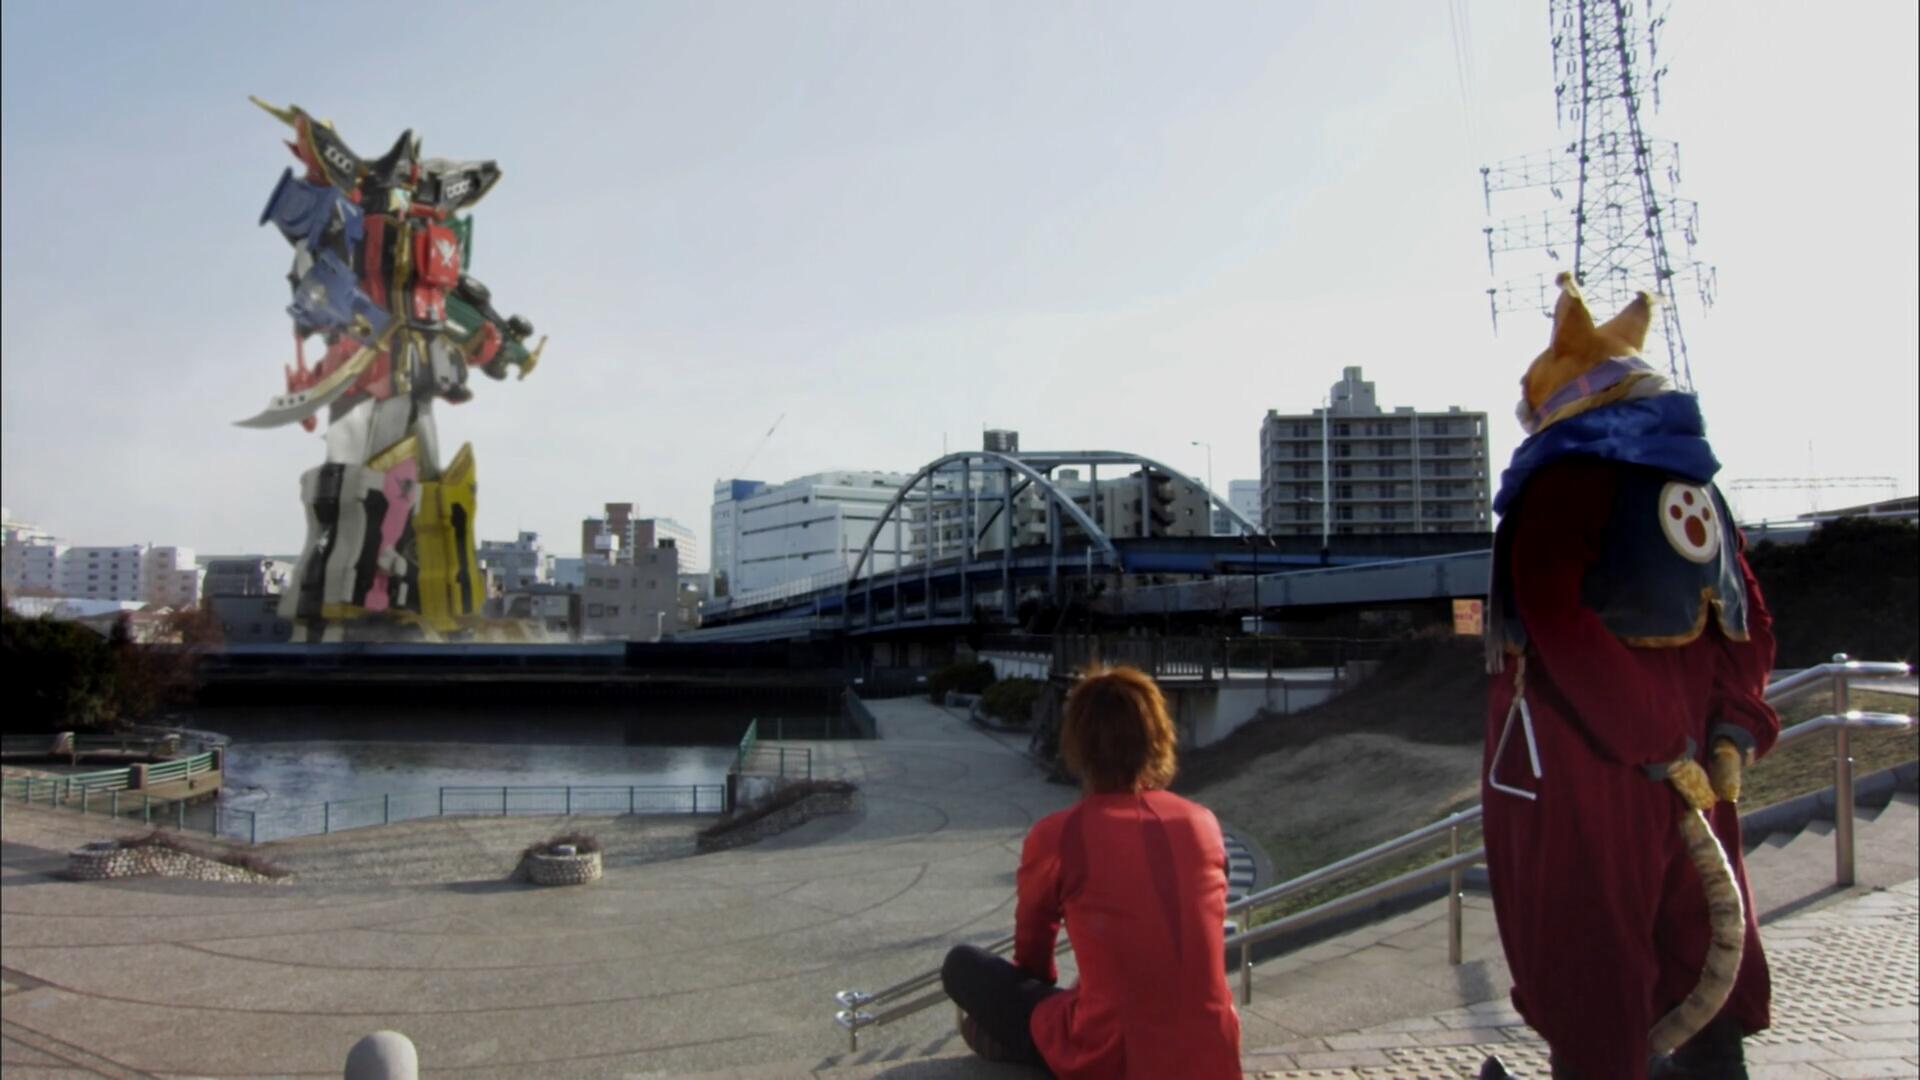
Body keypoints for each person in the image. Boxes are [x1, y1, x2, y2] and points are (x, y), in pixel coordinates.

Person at [1481, 274, 1777, 1079]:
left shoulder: (1563, 482)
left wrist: (1653, 741)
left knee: (1590, 945)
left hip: (1588, 764)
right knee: (1703, 932)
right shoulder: (1700, 491)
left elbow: (1554, 614)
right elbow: (1748, 617)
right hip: (1698, 763)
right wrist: (1731, 728)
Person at [940, 665, 1242, 1079]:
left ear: (1079, 745)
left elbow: (1034, 958)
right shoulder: (1202, 822)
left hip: (1113, 1055)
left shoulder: (1059, 835)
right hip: (1213, 1049)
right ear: (1157, 737)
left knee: (962, 965)